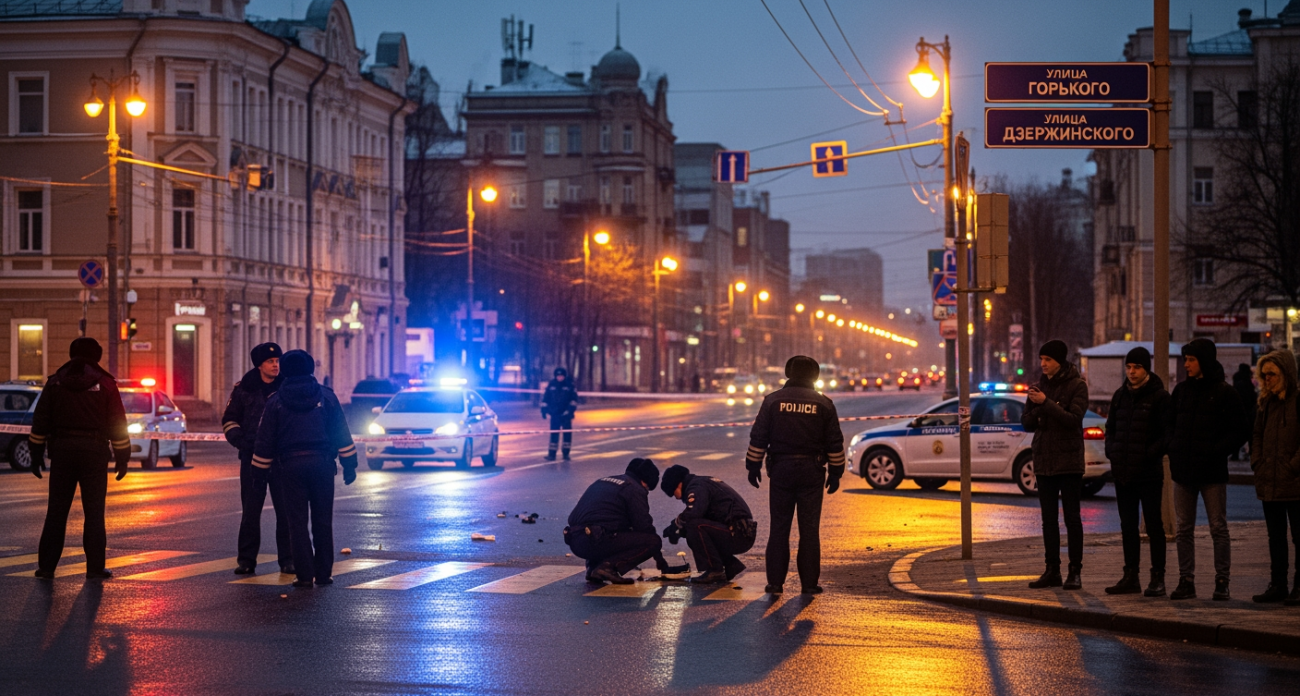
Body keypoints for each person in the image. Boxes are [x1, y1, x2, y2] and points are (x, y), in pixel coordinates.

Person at [252, 350, 358, 588]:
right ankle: (324, 574)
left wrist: (258, 475)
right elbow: (341, 433)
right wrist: (349, 465)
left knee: (296, 523)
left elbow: (265, 441)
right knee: (323, 521)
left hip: (289, 468)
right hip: (322, 465)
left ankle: (304, 575)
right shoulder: (327, 397)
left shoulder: (276, 401)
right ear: (311, 368)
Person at [27, 338, 131, 580]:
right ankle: (94, 568)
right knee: (94, 512)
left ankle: (46, 568)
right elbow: (118, 423)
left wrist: (35, 454)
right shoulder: (106, 383)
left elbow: (40, 421)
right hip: (94, 453)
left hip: (62, 451)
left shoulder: (55, 382)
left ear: (71, 353)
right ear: (97, 356)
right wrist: (122, 457)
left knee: (56, 511)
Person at [745, 355, 845, 595]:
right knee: (809, 529)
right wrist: (836, 472)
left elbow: (759, 437)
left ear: (788, 373)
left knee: (779, 528)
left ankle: (775, 583)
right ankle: (809, 584)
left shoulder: (772, 401)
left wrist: (753, 466)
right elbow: (834, 442)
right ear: (815, 376)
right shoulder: (824, 404)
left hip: (781, 470)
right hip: (812, 472)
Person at [1167, 338, 1248, 601]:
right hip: (1183, 471)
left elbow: (1240, 430)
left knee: (1218, 527)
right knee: (1183, 528)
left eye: (1191, 360)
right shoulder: (1181, 391)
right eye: (1186, 359)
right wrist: (1174, 448)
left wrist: (1216, 451)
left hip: (1212, 472)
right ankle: (1186, 580)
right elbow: (1169, 425)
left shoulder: (1224, 393)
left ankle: (1222, 581)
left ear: (1204, 360)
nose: (1186, 364)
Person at [1102, 346, 1170, 597]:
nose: (1132, 372)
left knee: (1153, 525)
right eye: (1129, 367)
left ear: (1146, 369)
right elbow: (1111, 428)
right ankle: (1131, 576)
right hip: (1123, 472)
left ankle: (1158, 577)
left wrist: (1147, 454)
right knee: (1128, 526)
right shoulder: (1120, 396)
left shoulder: (1159, 397)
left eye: (1137, 367)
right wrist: (1112, 451)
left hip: (1148, 472)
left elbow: (1167, 434)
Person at [1022, 339, 1089, 591]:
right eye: (1041, 359)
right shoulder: (1038, 387)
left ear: (1059, 361)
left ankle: (1075, 571)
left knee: (1072, 518)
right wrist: (1040, 408)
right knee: (1048, 520)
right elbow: (1026, 422)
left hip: (1069, 462)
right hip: (1044, 461)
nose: (1043, 364)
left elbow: (1073, 419)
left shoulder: (1077, 385)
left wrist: (1045, 404)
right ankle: (1052, 570)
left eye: (1048, 360)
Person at [222, 342, 292, 575]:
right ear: (259, 365)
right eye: (270, 361)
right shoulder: (244, 388)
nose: (276, 365)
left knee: (285, 512)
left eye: (278, 361)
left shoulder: (287, 387)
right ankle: (246, 560)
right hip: (251, 458)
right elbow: (230, 419)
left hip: (280, 459)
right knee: (250, 512)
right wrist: (241, 442)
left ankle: (288, 560)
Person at [563, 458, 689, 584]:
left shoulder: (603, 481)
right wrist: (662, 564)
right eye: (647, 488)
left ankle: (593, 568)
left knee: (612, 529)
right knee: (652, 541)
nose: (646, 492)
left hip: (575, 541)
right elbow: (644, 527)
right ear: (644, 482)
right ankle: (608, 567)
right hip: (595, 540)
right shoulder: (634, 488)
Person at [1249, 350, 1300, 605]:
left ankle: (1298, 586)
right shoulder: (1266, 403)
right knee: (1275, 537)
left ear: (1286, 374)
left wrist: (1292, 466)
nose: (1267, 379)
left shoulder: (1297, 401)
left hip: (1294, 481)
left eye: (1272, 374)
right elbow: (1257, 435)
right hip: (1269, 479)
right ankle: (1277, 584)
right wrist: (1257, 462)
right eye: (1264, 374)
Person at [659, 464, 756, 584]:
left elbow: (693, 513)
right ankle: (730, 565)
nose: (676, 498)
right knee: (692, 530)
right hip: (741, 531)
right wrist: (679, 530)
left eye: (673, 493)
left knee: (694, 526)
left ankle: (715, 570)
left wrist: (675, 526)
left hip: (739, 534)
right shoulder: (701, 482)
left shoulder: (697, 486)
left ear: (678, 484)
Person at [541, 367, 578, 461]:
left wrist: (570, 411)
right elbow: (546, 398)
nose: (559, 377)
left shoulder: (569, 385)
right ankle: (552, 454)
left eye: (561, 376)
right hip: (555, 414)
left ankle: (566, 454)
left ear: (564, 376)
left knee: (567, 435)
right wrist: (544, 410)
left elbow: (574, 400)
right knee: (554, 434)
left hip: (566, 414)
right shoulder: (552, 385)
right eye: (558, 376)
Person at [1234, 363, 1258, 460]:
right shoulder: (1248, 383)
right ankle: (1251, 453)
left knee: (1237, 434)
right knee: (1250, 435)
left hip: (1238, 412)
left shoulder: (1237, 380)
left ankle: (1235, 454)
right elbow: (1252, 398)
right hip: (1248, 412)